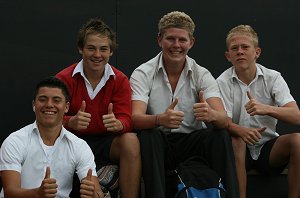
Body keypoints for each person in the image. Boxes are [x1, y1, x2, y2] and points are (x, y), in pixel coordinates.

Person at [130, 11, 239, 198]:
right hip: (160, 145)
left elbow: (224, 119)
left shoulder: (201, 74)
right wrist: (159, 119)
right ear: (159, 40)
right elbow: (135, 119)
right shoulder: (143, 73)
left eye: (182, 40)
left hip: (192, 144)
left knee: (220, 134)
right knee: (148, 136)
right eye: (170, 39)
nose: (176, 45)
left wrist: (212, 115)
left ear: (191, 42)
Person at [56, 18, 141, 198]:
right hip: (72, 141)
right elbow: (49, 118)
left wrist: (119, 124)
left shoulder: (120, 80)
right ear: (81, 49)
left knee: (131, 141)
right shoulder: (64, 78)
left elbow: (126, 118)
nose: (97, 54)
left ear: (111, 52)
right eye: (91, 48)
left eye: (103, 49)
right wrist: (70, 121)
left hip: (106, 143)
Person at [217, 24, 300, 198]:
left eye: (245, 47)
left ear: (257, 52)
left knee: (298, 140)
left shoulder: (273, 77)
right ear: (228, 56)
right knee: (236, 141)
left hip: (268, 150)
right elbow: (222, 122)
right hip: (239, 151)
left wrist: (267, 109)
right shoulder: (221, 82)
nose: (240, 51)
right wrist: (241, 131)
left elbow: (296, 116)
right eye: (234, 48)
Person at [0, 76, 103, 198]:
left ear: (66, 107)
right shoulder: (15, 141)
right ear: (34, 104)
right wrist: (37, 194)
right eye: (43, 99)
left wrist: (94, 194)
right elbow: (9, 192)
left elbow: (98, 192)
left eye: (56, 100)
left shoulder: (79, 146)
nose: (49, 105)